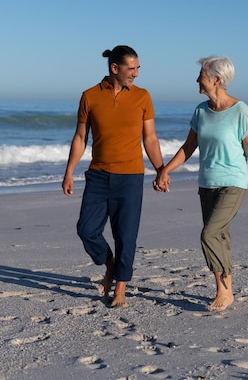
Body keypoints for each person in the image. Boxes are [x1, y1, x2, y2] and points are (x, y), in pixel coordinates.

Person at [154, 56, 248, 311]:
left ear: (216, 79)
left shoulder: (240, 110)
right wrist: (165, 170)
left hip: (234, 183)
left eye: (201, 75)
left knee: (209, 234)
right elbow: (189, 146)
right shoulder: (200, 111)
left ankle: (224, 288)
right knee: (220, 236)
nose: (197, 80)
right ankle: (225, 291)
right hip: (207, 183)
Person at [62, 45, 164, 308]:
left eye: (138, 68)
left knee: (126, 235)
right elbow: (80, 137)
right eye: (131, 69)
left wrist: (161, 169)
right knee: (86, 230)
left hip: (130, 177)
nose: (136, 74)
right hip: (98, 176)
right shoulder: (89, 96)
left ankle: (120, 289)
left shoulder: (143, 97)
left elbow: (150, 138)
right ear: (114, 68)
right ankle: (110, 265)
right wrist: (69, 172)